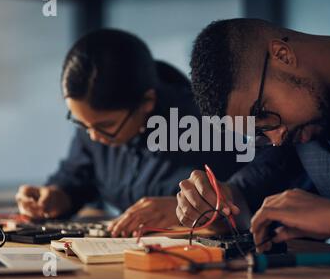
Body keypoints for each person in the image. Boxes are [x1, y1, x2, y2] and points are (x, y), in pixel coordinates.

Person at [176, 18, 330, 254]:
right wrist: (213, 202)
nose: (276, 138)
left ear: (283, 55)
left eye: (261, 113)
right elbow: (244, 195)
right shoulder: (301, 128)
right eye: (259, 133)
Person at [15, 29, 241, 237]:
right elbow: (77, 177)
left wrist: (184, 208)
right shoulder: (96, 126)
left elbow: (245, 199)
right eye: (83, 124)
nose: (93, 137)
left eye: (105, 126)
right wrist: (56, 195)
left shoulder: (205, 125)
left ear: (147, 102)